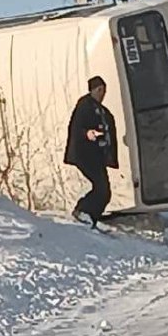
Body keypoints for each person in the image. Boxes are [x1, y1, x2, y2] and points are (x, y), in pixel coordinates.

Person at [64, 76, 118, 228]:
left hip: (97, 156)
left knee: (104, 190)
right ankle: (83, 211)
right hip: (86, 155)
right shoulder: (85, 106)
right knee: (101, 188)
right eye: (99, 90)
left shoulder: (102, 111)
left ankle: (91, 216)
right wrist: (87, 133)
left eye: (104, 90)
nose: (102, 94)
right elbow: (76, 127)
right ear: (92, 90)